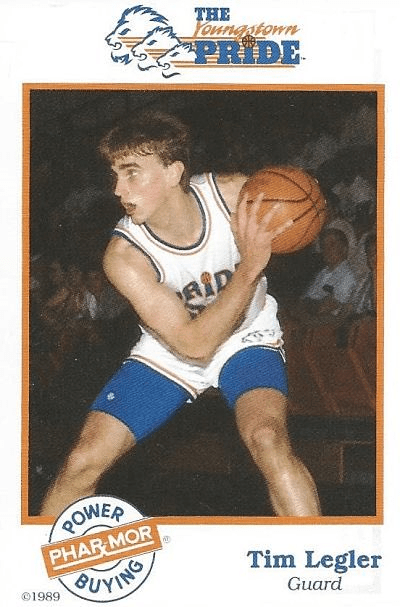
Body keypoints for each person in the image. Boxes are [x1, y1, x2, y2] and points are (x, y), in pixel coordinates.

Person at [40, 110, 321, 518]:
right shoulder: (125, 256)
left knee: (267, 438)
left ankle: (318, 550)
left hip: (246, 336)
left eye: (131, 173)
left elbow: (306, 209)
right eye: (114, 175)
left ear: (174, 172)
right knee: (83, 460)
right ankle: (38, 554)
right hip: (172, 350)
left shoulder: (237, 196)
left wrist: (305, 212)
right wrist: (249, 269)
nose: (118, 189)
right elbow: (194, 344)